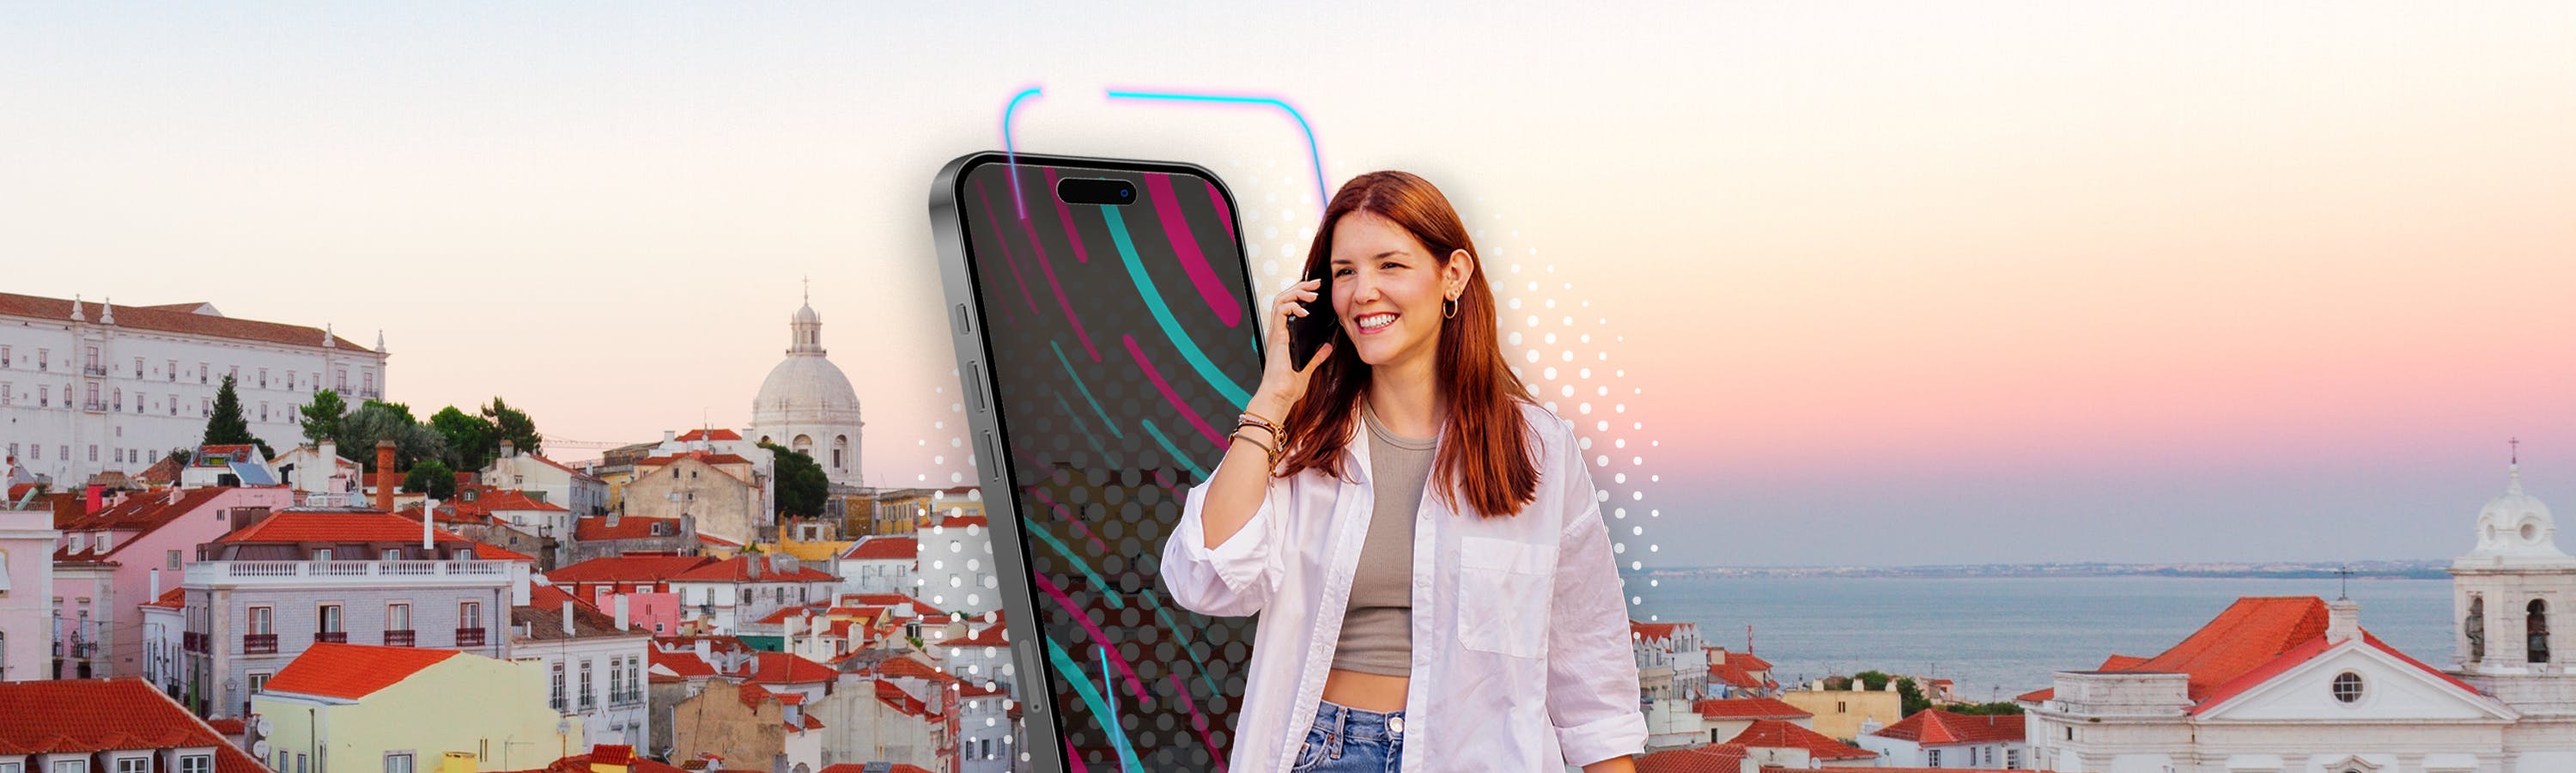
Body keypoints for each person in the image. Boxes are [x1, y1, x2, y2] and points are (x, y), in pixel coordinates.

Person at [1162, 170, 1644, 771]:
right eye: (1344, 272)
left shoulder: (1536, 447)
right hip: (1322, 751)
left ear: (1453, 275)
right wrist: (1273, 399)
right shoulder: (1302, 442)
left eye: (1390, 265)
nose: (1364, 291)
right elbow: (1206, 578)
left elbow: (1589, 654)